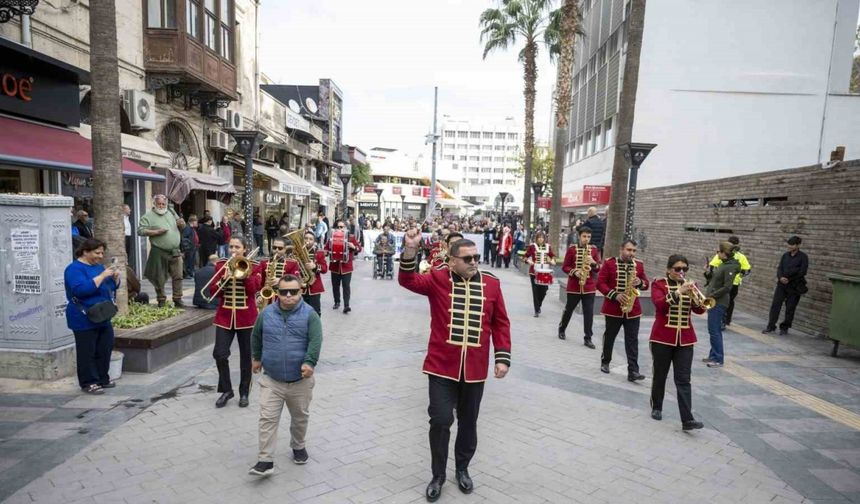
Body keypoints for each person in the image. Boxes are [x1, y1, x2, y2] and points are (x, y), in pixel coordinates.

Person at [398, 230, 511, 502]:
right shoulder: (438, 278)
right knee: (440, 420)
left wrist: (502, 357)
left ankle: (462, 468)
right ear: (452, 262)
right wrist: (411, 251)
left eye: (477, 257)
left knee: (468, 422)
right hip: (440, 367)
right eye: (468, 258)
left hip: (474, 369)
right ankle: (438, 474)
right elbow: (408, 280)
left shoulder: (492, 284)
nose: (474, 262)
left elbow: (500, 322)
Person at [248, 274, 322, 476]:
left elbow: (315, 341)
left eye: (293, 292)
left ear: (300, 292)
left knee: (299, 418)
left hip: (300, 381)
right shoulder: (266, 313)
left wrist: (309, 362)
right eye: (283, 292)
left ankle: (298, 446)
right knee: (267, 418)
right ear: (277, 293)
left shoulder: (310, 314)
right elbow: (256, 335)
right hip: (272, 379)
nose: (288, 295)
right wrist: (256, 357)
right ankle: (265, 460)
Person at [649, 255, 705, 431]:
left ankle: (687, 419)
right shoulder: (658, 284)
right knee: (660, 375)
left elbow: (700, 309)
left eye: (685, 269)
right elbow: (659, 305)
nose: (681, 272)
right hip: (662, 337)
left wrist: (697, 298)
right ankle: (657, 406)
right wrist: (678, 292)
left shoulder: (691, 285)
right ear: (668, 270)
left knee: (683, 379)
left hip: (685, 339)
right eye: (677, 269)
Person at [209, 237, 264, 408]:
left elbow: (254, 290)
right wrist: (222, 280)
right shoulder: (221, 265)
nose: (233, 249)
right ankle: (226, 390)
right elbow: (212, 292)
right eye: (231, 246)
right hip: (225, 317)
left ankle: (244, 392)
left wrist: (245, 276)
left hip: (246, 318)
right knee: (219, 354)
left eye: (237, 247)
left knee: (246, 357)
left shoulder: (255, 266)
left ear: (244, 249)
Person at [64, 238, 120, 395]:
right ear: (85, 251)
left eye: (102, 252)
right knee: (87, 351)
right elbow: (81, 290)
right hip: (83, 317)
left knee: (105, 347)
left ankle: (102, 377)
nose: (100, 256)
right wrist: (102, 276)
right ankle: (89, 382)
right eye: (97, 253)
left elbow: (109, 287)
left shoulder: (98, 267)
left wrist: (115, 278)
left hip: (102, 315)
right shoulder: (74, 269)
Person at [597, 239, 650, 381]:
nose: (631, 253)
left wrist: (640, 282)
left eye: (633, 250)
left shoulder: (638, 265)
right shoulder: (609, 263)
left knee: (632, 340)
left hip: (632, 309)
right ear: (621, 249)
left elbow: (646, 284)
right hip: (613, 308)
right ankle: (605, 362)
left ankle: (633, 371)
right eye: (629, 250)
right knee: (610, 336)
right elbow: (600, 283)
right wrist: (615, 295)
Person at [138, 195, 184, 308]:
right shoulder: (148, 216)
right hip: (159, 251)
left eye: (163, 204)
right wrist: (156, 232)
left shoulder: (171, 213)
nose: (161, 206)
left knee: (178, 275)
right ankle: (161, 300)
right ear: (154, 204)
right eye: (159, 204)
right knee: (159, 277)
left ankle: (177, 299)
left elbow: (181, 226)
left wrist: (182, 225)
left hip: (175, 251)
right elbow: (140, 231)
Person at [558, 227, 602, 346]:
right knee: (569, 309)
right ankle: (562, 329)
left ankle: (588, 338)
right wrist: (574, 272)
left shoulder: (593, 250)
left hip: (589, 287)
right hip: (574, 286)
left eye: (588, 237)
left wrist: (593, 262)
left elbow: (598, 268)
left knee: (589, 313)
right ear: (579, 236)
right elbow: (565, 267)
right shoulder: (572, 249)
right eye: (584, 236)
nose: (586, 239)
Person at [702, 242, 740, 368]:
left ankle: (718, 359)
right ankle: (713, 355)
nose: (717, 253)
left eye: (718, 251)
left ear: (724, 253)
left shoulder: (730, 267)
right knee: (713, 329)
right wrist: (707, 273)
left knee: (714, 330)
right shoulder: (724, 264)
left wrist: (712, 295)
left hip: (718, 302)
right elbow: (714, 281)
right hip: (714, 301)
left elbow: (727, 287)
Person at [764, 236, 809, 336]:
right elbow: (780, 268)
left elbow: (802, 272)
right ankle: (771, 326)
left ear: (798, 245)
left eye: (792, 245)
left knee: (790, 308)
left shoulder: (803, 257)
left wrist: (789, 278)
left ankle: (785, 327)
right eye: (789, 244)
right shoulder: (785, 255)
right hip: (781, 285)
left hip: (794, 286)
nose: (789, 246)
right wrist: (780, 277)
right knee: (775, 305)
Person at [707, 236, 751, 329]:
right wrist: (740, 274)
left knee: (721, 301)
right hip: (735, 284)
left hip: (722, 284)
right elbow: (747, 270)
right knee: (730, 302)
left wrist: (713, 275)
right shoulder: (741, 256)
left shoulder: (722, 254)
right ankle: (726, 320)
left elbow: (712, 266)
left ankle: (721, 320)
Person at [325, 220, 362, 314]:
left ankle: (346, 305)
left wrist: (353, 247)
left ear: (346, 228)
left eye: (342, 227)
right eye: (338, 227)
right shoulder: (332, 237)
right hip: (335, 266)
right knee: (335, 286)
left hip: (346, 266)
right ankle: (337, 302)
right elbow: (326, 248)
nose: (340, 229)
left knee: (346, 286)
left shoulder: (351, 238)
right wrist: (326, 252)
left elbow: (359, 249)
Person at [524, 231, 556, 317]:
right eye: (539, 237)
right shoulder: (532, 247)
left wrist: (552, 261)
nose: (541, 239)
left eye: (542, 237)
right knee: (535, 291)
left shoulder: (548, 247)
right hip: (534, 272)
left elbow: (552, 256)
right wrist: (529, 261)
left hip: (545, 272)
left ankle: (539, 304)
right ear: (536, 238)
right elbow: (525, 257)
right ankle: (536, 310)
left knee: (544, 290)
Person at [262, 237, 300, 306]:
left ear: (285, 249)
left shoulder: (292, 263)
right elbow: (259, 283)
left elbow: (295, 280)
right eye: (274, 247)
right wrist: (259, 296)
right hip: (267, 298)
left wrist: (280, 280)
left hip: (284, 298)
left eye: (280, 248)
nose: (276, 250)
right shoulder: (263, 263)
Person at [302, 231, 328, 316]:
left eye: (310, 239)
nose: (307, 241)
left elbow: (324, 269)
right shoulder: (297, 253)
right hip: (300, 288)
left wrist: (315, 266)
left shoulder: (319, 253)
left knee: (315, 313)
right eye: (306, 238)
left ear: (314, 241)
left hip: (314, 288)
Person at [181, 214, 199, 279]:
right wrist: (186, 249)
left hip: (193, 248)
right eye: (196, 221)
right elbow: (184, 239)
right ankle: (187, 274)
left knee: (191, 261)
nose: (197, 222)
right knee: (188, 262)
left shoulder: (191, 228)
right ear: (192, 221)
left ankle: (191, 273)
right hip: (189, 249)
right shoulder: (187, 228)